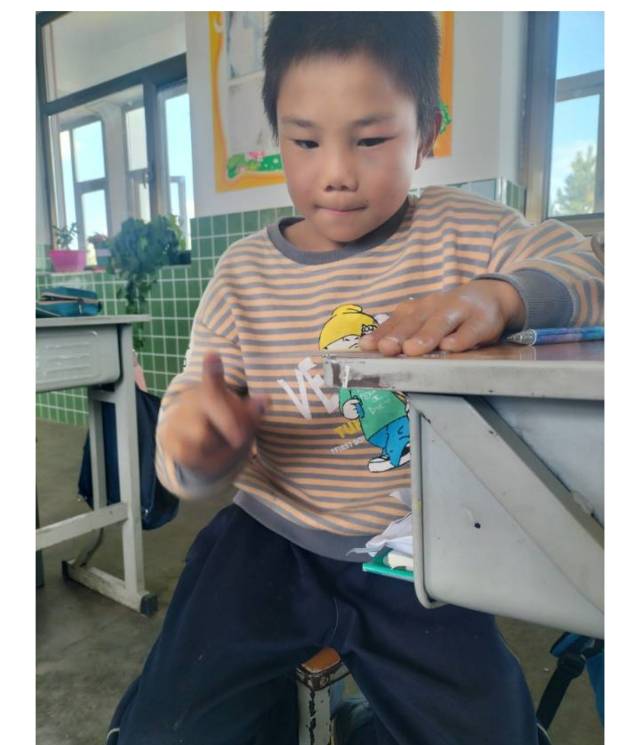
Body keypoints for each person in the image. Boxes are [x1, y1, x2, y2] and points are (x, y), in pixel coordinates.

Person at [107, 12, 603, 745]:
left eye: (370, 140)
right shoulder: (243, 275)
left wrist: (502, 297)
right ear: (277, 135)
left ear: (426, 132)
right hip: (268, 535)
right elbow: (189, 418)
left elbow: (591, 269)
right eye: (305, 142)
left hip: (419, 549)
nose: (336, 171)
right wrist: (195, 451)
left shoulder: (467, 233)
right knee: (169, 729)